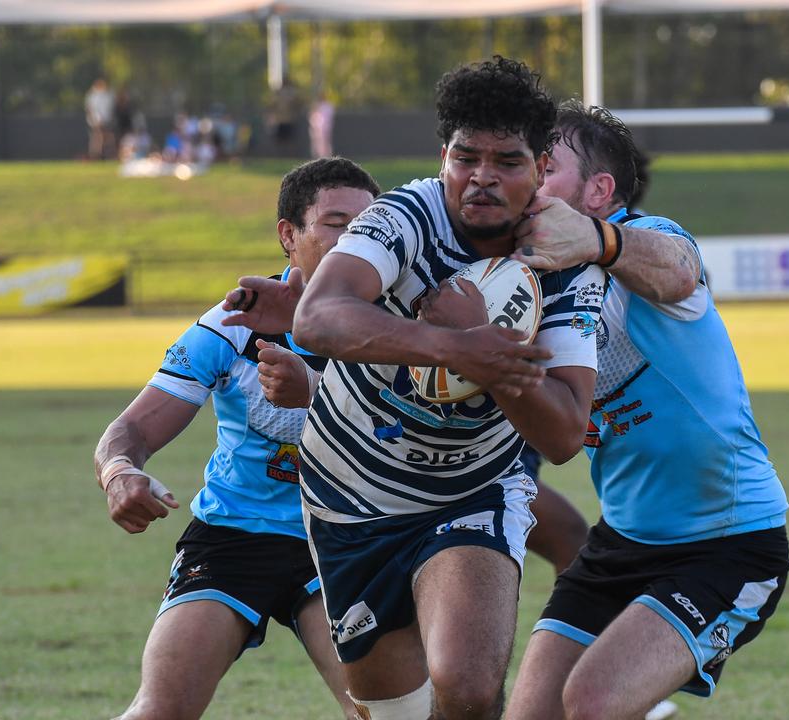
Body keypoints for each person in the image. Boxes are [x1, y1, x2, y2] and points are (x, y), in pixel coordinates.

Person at [221, 57, 603, 720]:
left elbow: (565, 433)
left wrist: (484, 358)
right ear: (443, 156)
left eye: (507, 160)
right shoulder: (403, 216)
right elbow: (320, 315)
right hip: (349, 496)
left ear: (542, 168)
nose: (482, 176)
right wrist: (457, 345)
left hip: (470, 486)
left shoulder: (562, 259)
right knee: (398, 712)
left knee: (468, 686)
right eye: (466, 156)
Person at [503, 102, 789, 720]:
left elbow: (680, 271)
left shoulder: (645, 240)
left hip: (728, 545)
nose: (528, 178)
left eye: (546, 166)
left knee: (592, 701)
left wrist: (599, 239)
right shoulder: (528, 284)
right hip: (621, 543)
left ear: (599, 191)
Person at [92, 157, 381, 720]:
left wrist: (317, 390)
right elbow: (130, 429)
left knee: (388, 713)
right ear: (288, 235)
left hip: (347, 539)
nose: (355, 240)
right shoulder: (232, 323)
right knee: (160, 709)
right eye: (335, 224)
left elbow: (420, 434)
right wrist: (119, 472)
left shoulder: (398, 324)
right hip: (233, 535)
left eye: (368, 228)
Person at [85, 77, 115, 160]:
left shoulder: (107, 95)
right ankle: (96, 155)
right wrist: (96, 120)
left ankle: (105, 154)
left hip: (106, 120)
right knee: (98, 137)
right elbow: (90, 109)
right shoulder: (93, 96)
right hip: (96, 121)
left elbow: (109, 109)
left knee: (107, 137)